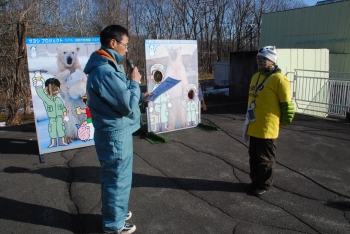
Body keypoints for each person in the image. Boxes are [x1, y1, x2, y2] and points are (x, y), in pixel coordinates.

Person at [84, 25, 150, 234]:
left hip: (117, 132)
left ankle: (116, 212)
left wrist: (138, 95)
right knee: (117, 180)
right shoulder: (105, 71)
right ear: (113, 43)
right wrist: (134, 83)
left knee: (116, 178)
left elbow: (122, 99)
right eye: (126, 44)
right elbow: (126, 105)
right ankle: (114, 225)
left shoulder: (109, 66)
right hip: (115, 136)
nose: (127, 49)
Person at [244, 46, 294, 197]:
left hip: (268, 127)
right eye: (258, 59)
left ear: (272, 61)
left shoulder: (279, 79)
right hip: (254, 125)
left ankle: (264, 184)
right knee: (253, 156)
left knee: (265, 159)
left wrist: (282, 123)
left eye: (263, 59)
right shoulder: (256, 76)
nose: (259, 61)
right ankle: (255, 181)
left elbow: (287, 105)